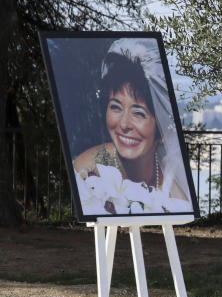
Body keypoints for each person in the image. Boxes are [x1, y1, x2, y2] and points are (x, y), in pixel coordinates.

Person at [72, 40, 191, 213]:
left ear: (162, 130)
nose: (124, 124)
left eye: (139, 113)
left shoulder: (176, 188)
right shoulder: (86, 169)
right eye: (115, 107)